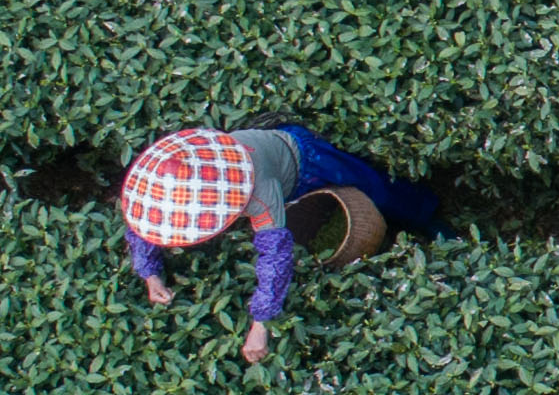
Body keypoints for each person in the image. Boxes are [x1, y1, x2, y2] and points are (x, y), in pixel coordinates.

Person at [119, 123, 439, 365]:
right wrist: (150, 274)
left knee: (380, 190)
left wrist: (260, 324)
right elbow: (145, 225)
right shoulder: (163, 182)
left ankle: (433, 221)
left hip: (306, 160)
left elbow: (276, 256)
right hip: (271, 164)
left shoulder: (258, 190)